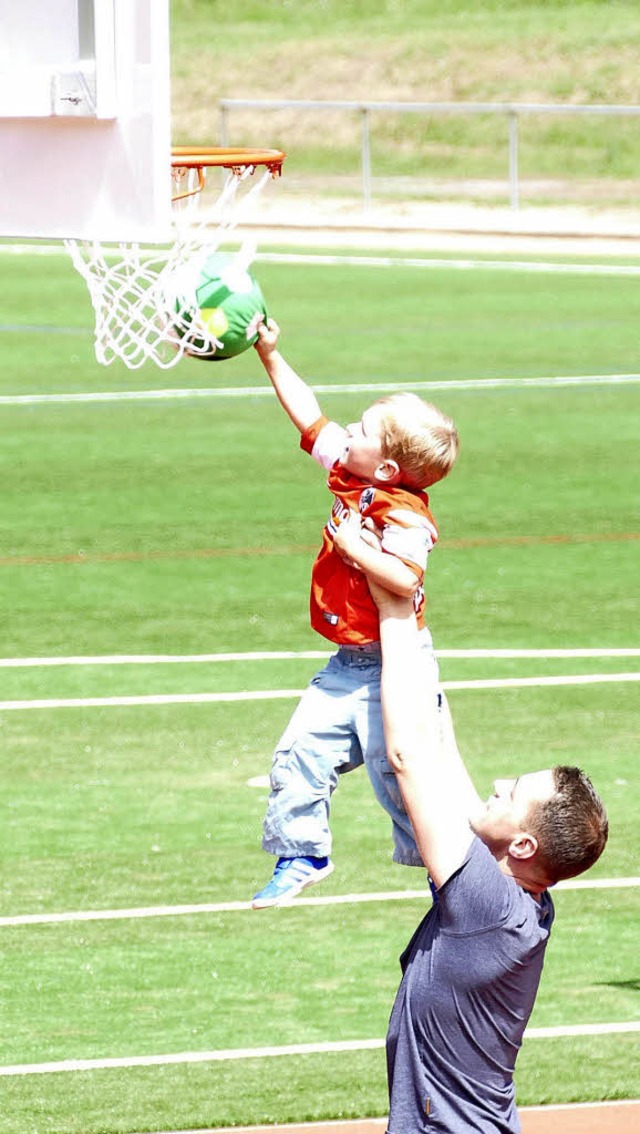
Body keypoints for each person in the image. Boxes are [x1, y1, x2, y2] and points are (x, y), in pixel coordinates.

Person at [339, 511, 609, 1133]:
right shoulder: (518, 897)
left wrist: (393, 615)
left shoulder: (489, 903)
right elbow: (443, 752)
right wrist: (414, 621)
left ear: (521, 842)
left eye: (512, 792)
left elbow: (410, 760)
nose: (497, 783)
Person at [251, 318, 459, 909]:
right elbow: (308, 414)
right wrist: (270, 355)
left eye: (363, 429)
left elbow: (405, 577)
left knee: (402, 783)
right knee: (298, 754)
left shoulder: (405, 515)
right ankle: (302, 854)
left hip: (398, 667)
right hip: (348, 664)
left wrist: (354, 547)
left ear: (388, 468)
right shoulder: (352, 472)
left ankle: (450, 874)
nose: (347, 431)